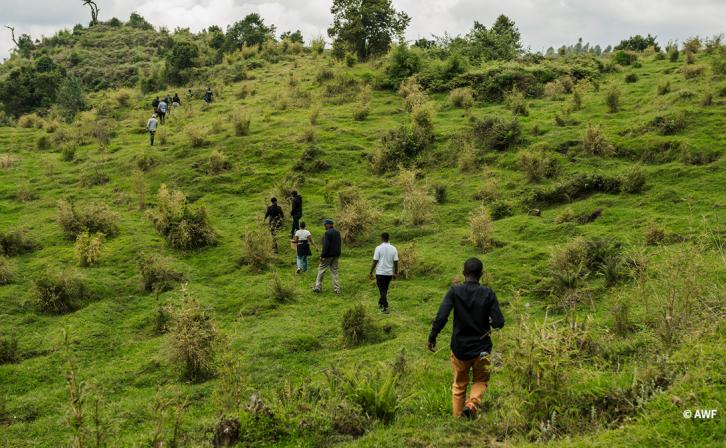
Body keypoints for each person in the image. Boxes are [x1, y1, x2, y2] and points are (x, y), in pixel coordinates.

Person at [427, 258, 505, 419]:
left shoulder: (454, 291)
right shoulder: (488, 293)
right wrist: (488, 321)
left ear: (463, 274)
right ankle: (472, 405)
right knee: (481, 380)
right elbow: (499, 322)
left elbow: (441, 317)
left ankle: (458, 420)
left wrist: (432, 336)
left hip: (460, 349)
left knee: (459, 385)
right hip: (482, 349)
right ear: (481, 274)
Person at [369, 232, 398, 313]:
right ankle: (380, 303)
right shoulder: (393, 248)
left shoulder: (378, 248)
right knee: (384, 289)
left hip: (380, 273)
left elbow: (375, 261)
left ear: (382, 238)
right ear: (389, 238)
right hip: (389, 273)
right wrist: (395, 272)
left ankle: (385, 307)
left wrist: (371, 271)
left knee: (382, 290)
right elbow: (396, 262)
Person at [313, 219, 341, 294]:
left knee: (321, 270)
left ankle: (318, 287)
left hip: (328, 255)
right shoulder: (337, 232)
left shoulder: (327, 233)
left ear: (329, 225)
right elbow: (339, 244)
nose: (324, 226)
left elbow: (326, 246)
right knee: (334, 272)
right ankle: (337, 289)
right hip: (336, 255)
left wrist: (322, 256)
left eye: (325, 225)